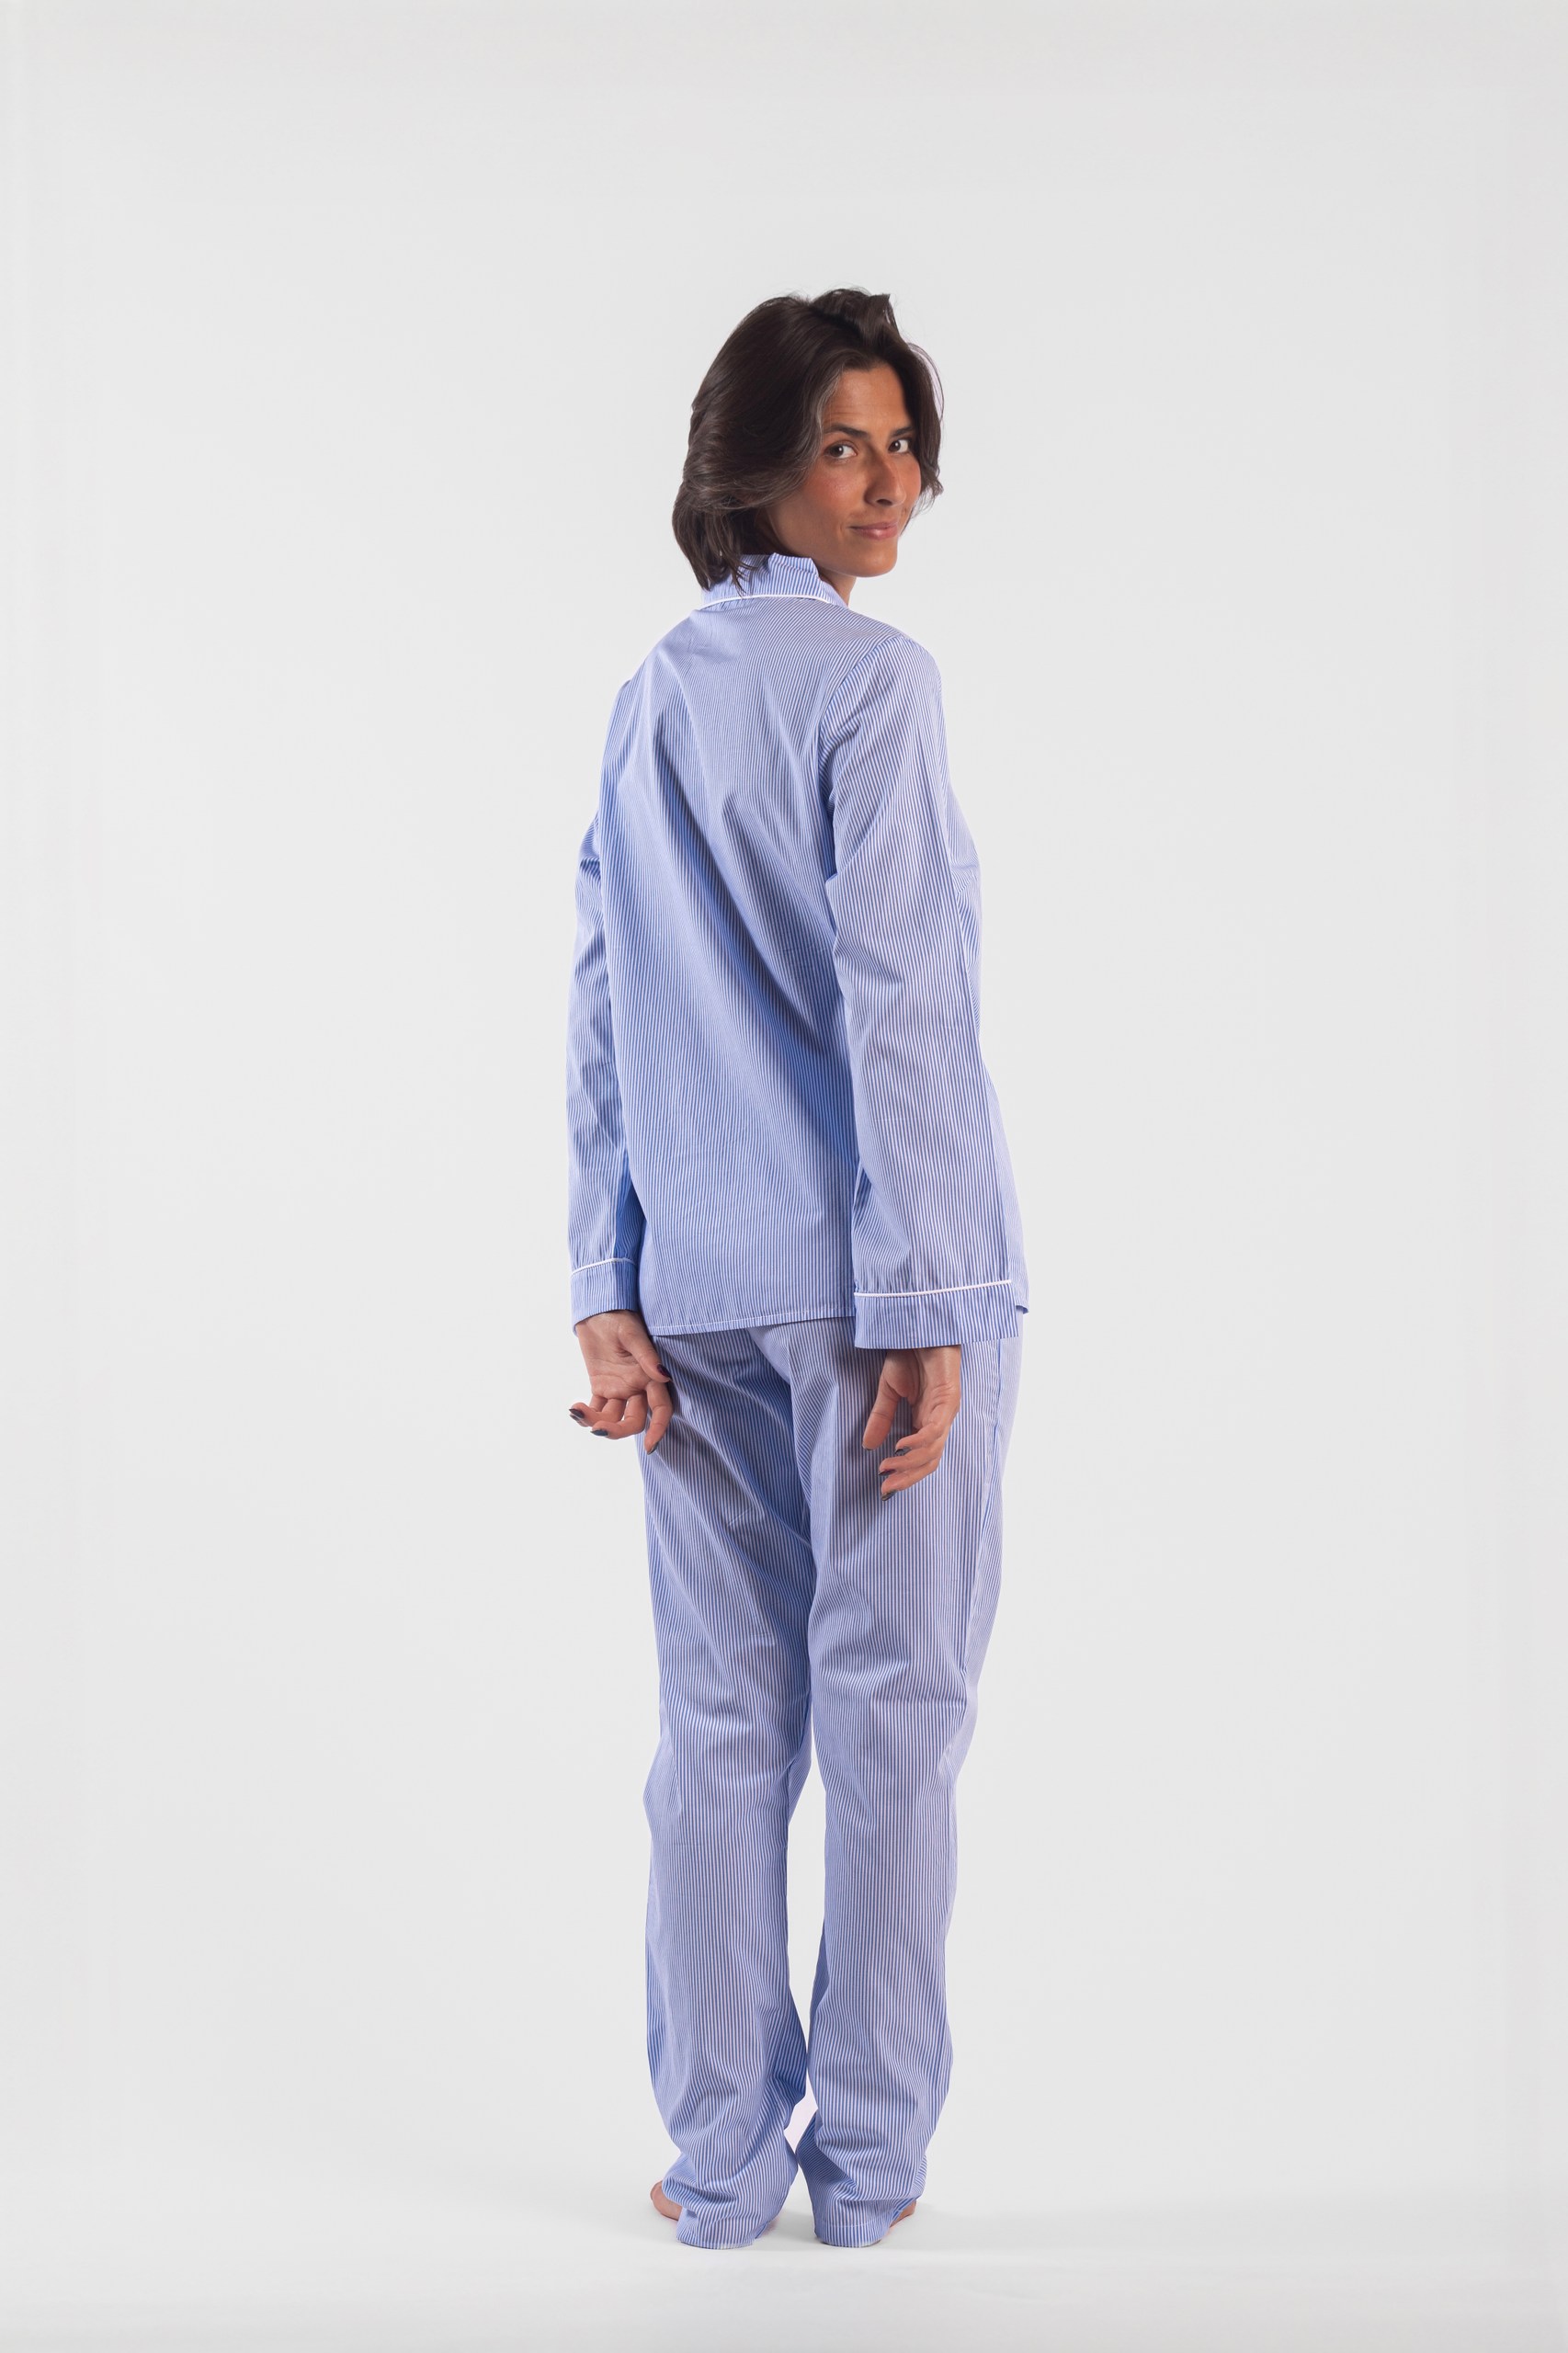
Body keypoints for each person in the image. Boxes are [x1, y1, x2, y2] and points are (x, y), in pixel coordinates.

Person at [563, 288, 1028, 2251]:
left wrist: (605, 1279)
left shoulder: (650, 696)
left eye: (901, 443)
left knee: (720, 1732)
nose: (888, 481)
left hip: (695, 1289)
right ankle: (868, 2170)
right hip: (868, 1288)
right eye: (846, 445)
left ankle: (716, 2163)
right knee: (892, 1725)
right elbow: (902, 993)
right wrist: (925, 1296)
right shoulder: (873, 682)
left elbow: (602, 997)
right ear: (753, 465)